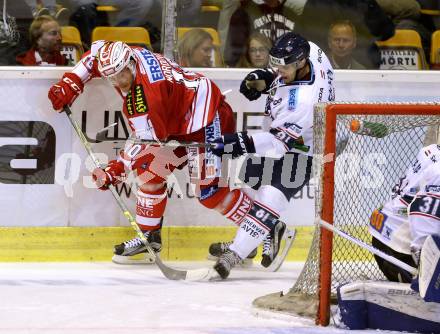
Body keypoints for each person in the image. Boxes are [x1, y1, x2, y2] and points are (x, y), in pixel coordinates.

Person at [47, 40, 274, 274]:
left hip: (206, 119)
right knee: (149, 170)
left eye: (119, 76)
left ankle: (265, 227)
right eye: (109, 77)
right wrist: (72, 81)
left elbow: (146, 141)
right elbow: (94, 56)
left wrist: (116, 169)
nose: (115, 82)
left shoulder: (146, 97)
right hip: (179, 116)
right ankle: (149, 239)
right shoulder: (127, 55)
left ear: (130, 66)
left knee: (209, 192)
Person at [209, 32, 335, 279]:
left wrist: (240, 142)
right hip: (287, 134)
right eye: (275, 63)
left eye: (284, 66)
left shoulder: (304, 102)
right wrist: (270, 80)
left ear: (300, 63)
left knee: (269, 198)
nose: (278, 68)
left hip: (305, 152)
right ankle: (269, 231)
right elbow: (286, 76)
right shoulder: (311, 48)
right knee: (250, 179)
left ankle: (235, 254)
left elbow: (278, 146)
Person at [338, 144, 440, 332]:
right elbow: (421, 212)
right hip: (400, 249)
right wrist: (426, 265)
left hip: (390, 235)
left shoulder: (433, 150)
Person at [369, 144, 440, 283]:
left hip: (386, 235)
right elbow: (422, 217)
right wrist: (428, 270)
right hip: (399, 251)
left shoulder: (431, 150)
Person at [221, 0, 302, 67]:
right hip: (249, 71)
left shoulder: (292, 15)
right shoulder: (243, 14)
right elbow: (233, 55)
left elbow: (300, 51)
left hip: (286, 71)